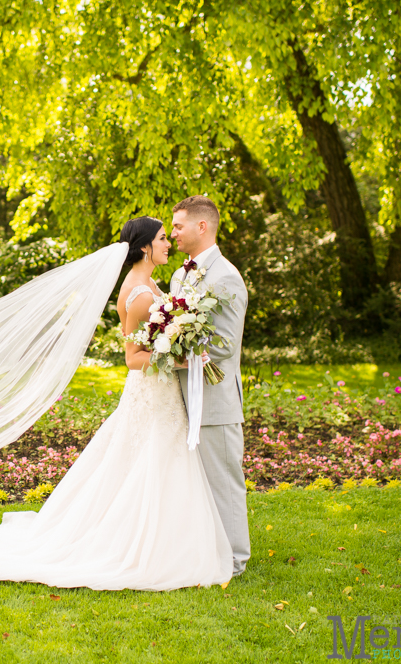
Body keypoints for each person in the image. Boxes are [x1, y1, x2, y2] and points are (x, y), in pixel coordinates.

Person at [0, 216, 234, 590]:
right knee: (151, 462)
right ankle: (147, 546)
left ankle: (164, 538)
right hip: (152, 395)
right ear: (145, 247)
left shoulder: (147, 284)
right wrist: (182, 359)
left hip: (157, 394)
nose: (168, 243)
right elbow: (132, 359)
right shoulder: (142, 295)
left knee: (141, 464)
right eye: (163, 238)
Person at [169, 195, 251, 577]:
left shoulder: (226, 276)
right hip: (182, 395)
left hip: (215, 399)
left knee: (224, 482)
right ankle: (202, 550)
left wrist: (173, 346)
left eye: (179, 226)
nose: (173, 234)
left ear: (202, 226)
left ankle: (235, 559)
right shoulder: (180, 275)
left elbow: (224, 344)